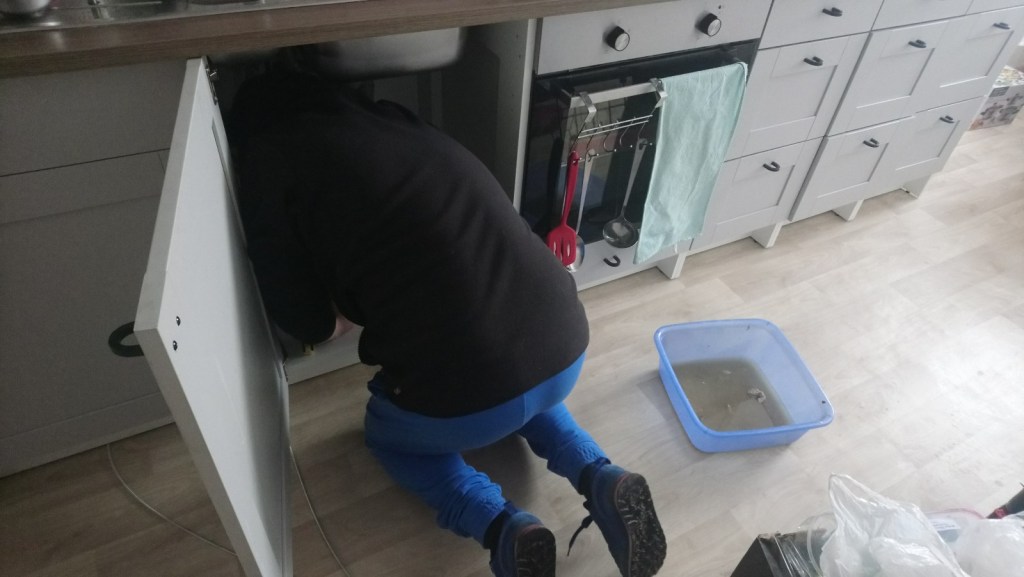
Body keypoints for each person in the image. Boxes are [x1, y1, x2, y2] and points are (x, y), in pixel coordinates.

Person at [227, 67, 666, 577]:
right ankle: (599, 473)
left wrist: (345, 306)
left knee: (389, 436)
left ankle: (501, 526)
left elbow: (310, 323)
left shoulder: (266, 161)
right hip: (561, 340)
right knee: (515, 382)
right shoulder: (391, 119)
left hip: (473, 388)